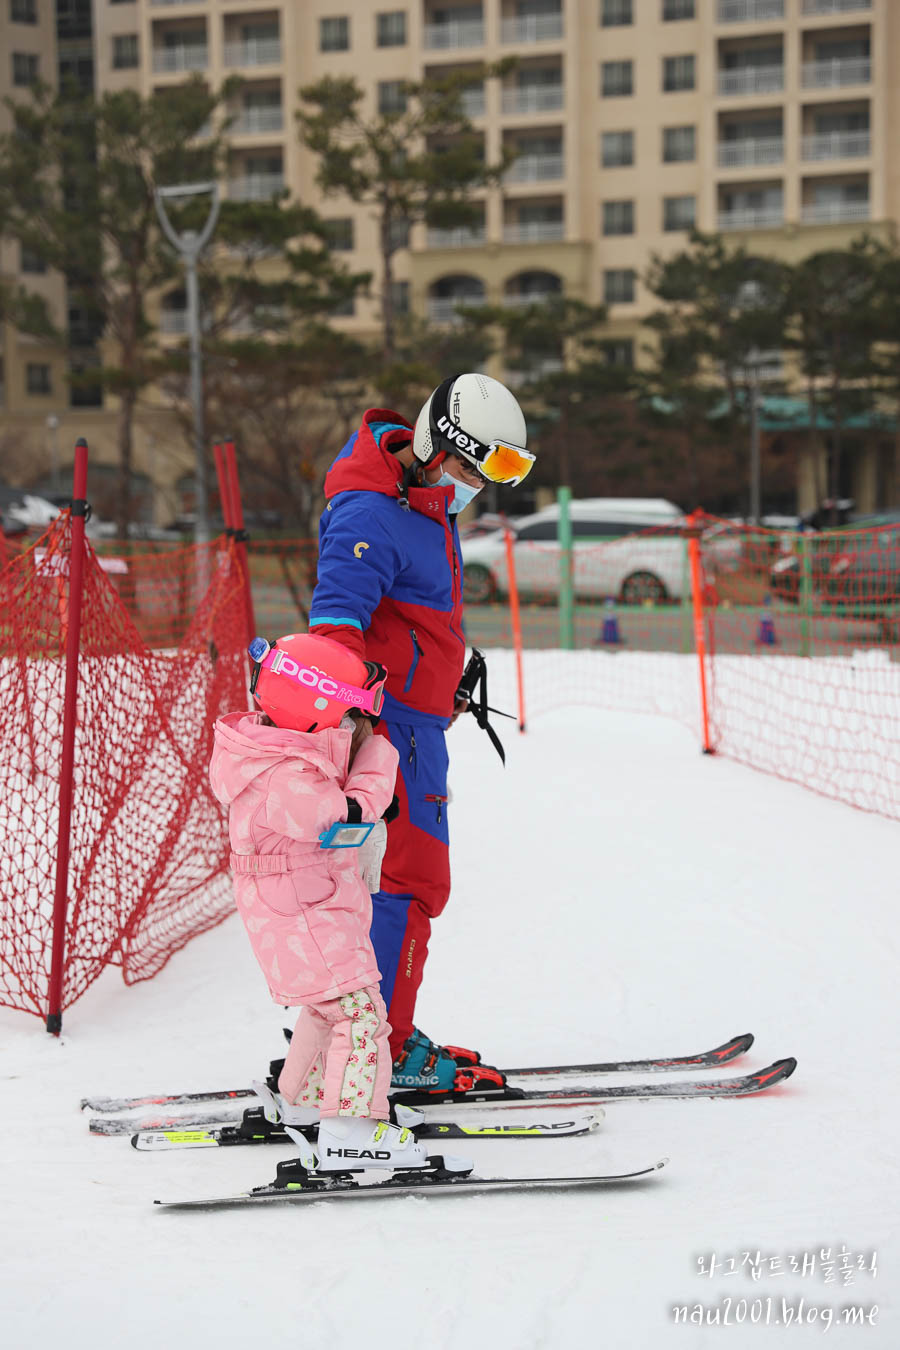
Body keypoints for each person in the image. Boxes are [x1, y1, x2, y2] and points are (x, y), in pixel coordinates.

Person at [308, 373, 534, 1095]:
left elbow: (411, 616)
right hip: (390, 733)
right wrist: (361, 725)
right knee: (411, 883)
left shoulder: (422, 503)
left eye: (488, 473)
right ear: (438, 445)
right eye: (471, 467)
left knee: (396, 885)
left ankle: (368, 1030)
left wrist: (440, 680)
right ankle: (382, 1049)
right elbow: (336, 627)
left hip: (416, 722)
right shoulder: (372, 513)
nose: (476, 485)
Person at [208, 631, 429, 1172]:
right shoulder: (284, 775)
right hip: (304, 910)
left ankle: (302, 1102)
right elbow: (345, 817)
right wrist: (379, 757)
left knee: (329, 1008)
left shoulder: (283, 756)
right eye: (350, 716)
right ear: (316, 708)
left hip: (304, 905)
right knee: (360, 1016)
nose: (355, 728)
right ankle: (353, 1127)